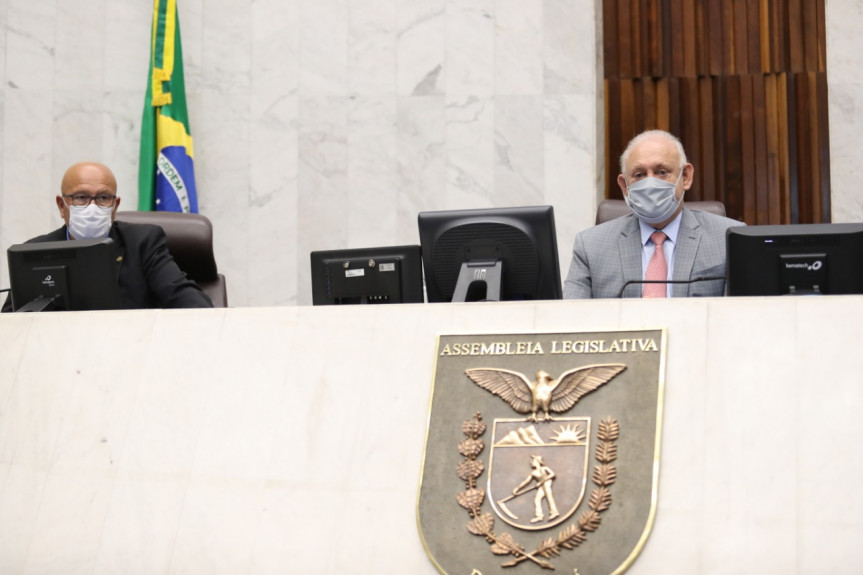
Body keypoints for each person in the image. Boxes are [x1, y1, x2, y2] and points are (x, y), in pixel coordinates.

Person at [2, 161, 213, 311]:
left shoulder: (142, 243)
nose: (92, 206)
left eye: (103, 198)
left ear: (115, 205)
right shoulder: (35, 251)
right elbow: (11, 324)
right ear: (61, 205)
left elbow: (191, 302)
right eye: (81, 198)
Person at [563, 130, 743, 299]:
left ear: (686, 177)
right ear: (625, 186)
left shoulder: (728, 239)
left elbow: (741, 317)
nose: (650, 183)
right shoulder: (590, 246)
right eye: (639, 175)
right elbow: (570, 319)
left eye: (662, 172)